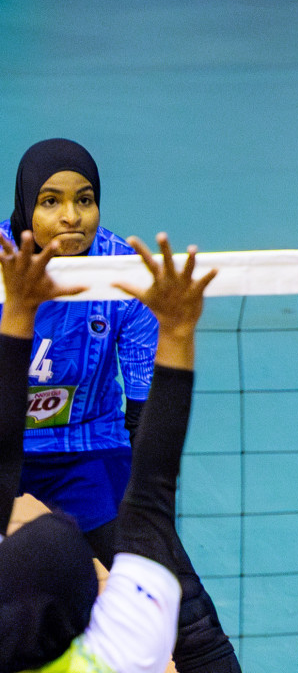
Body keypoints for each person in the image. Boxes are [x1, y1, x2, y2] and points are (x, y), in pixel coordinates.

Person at [0, 140, 240, 673]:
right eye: (50, 201)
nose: (70, 217)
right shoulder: (1, 270)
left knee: (187, 611)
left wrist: (142, 514)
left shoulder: (126, 274)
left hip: (89, 448)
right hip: (3, 454)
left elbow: (142, 411)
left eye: (85, 200)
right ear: (25, 205)